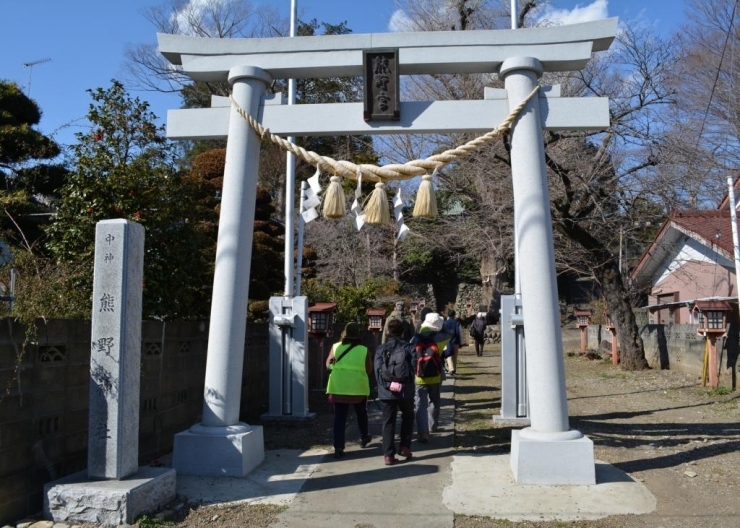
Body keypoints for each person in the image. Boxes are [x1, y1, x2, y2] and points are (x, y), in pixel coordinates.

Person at [325, 322, 373, 459]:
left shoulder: (335, 347)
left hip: (339, 387)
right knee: (361, 413)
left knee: (340, 418)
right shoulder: (364, 350)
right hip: (358, 388)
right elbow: (369, 369)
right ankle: (364, 437)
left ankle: (339, 447)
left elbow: (328, 365)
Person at [374, 318, 416, 466]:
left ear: (387, 332)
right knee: (408, 417)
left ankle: (388, 455)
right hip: (405, 389)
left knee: (388, 422)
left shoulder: (381, 349)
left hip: (386, 391)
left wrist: (386, 385)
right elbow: (413, 368)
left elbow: (377, 371)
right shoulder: (409, 348)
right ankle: (405, 447)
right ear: (403, 331)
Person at [410, 312, 450, 443]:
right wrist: (441, 325)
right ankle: (432, 425)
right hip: (435, 376)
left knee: (420, 403)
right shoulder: (440, 338)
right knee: (434, 400)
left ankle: (423, 431)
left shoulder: (415, 338)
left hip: (419, 376)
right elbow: (450, 334)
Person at [442, 309, 463, 375]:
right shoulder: (457, 323)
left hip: (447, 341)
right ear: (454, 315)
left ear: (448, 315)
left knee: (448, 355)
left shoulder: (445, 323)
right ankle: (454, 369)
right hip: (456, 341)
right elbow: (460, 333)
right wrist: (461, 343)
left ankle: (451, 368)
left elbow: (443, 333)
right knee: (455, 356)